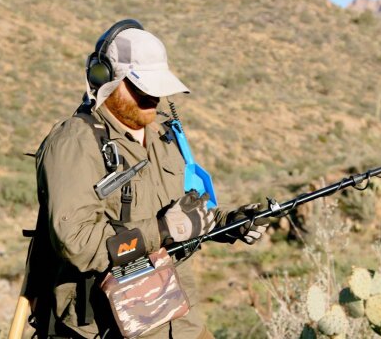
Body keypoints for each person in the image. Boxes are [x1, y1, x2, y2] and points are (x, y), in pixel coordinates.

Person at [33, 19, 269, 338]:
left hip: (181, 321)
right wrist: (162, 230)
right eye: (141, 88)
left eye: (157, 89)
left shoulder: (163, 135)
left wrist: (233, 221)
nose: (152, 99)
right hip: (108, 327)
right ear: (104, 78)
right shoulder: (74, 143)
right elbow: (77, 243)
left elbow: (188, 211)